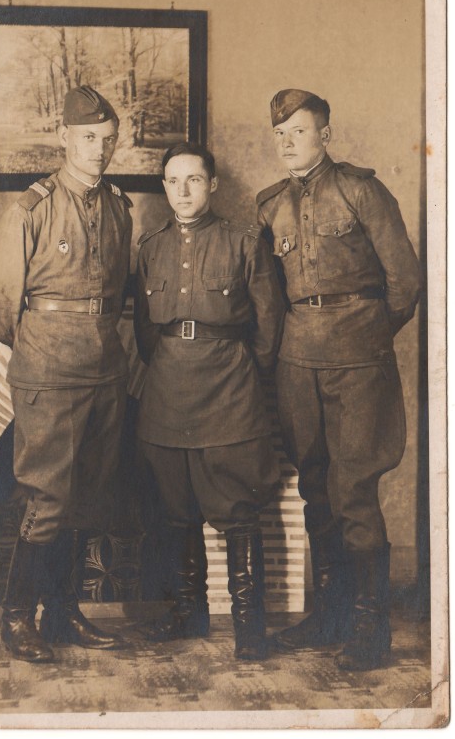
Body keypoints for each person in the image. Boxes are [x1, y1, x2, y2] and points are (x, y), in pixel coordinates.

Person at [257, 89, 421, 670]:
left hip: (358, 360)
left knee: (353, 489)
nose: (287, 143)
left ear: (324, 135)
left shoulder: (361, 190)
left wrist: (366, 336)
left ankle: (370, 628)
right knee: (315, 485)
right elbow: (270, 296)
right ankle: (329, 615)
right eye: (280, 134)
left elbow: (405, 283)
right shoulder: (269, 205)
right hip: (298, 361)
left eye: (298, 132)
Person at [0, 85, 133, 663]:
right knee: (46, 497)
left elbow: (117, 293)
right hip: (48, 370)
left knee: (89, 497)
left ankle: (65, 613)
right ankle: (18, 618)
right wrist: (40, 352)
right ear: (65, 138)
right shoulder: (33, 208)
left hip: (106, 369)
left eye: (108, 139)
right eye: (89, 138)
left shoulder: (119, 207)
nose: (99, 149)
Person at [134, 142, 283, 660]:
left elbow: (268, 326)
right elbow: (144, 335)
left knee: (238, 511)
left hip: (229, 390)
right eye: (173, 181)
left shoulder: (244, 242)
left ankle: (249, 629)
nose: (183, 191)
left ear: (212, 185)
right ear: (164, 187)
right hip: (167, 392)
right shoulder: (151, 247)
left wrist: (240, 373)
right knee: (177, 512)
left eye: (194, 180)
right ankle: (188, 614)